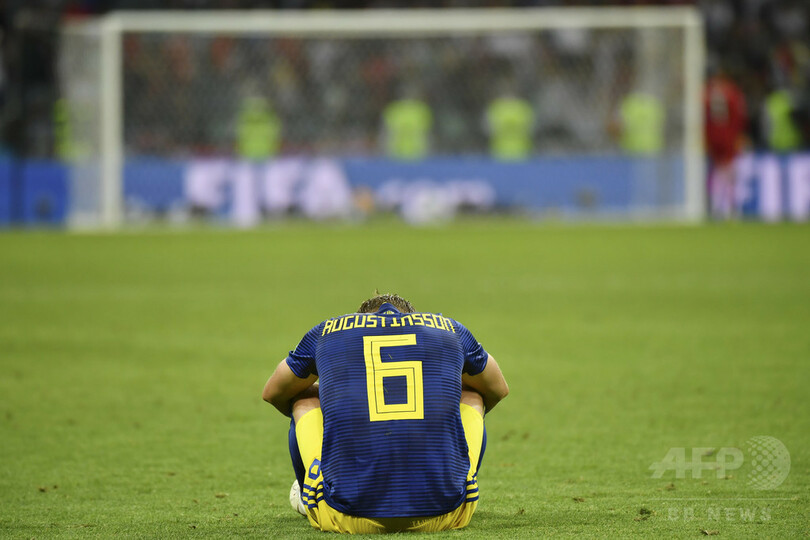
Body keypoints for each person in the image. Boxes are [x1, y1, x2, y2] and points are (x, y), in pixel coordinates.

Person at [262, 293, 509, 533]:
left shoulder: (326, 332)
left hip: (346, 516)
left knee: (302, 396)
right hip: (446, 513)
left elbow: (273, 392)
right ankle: (451, 482)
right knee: (473, 394)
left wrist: (329, 396)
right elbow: (498, 389)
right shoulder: (451, 329)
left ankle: (310, 493)